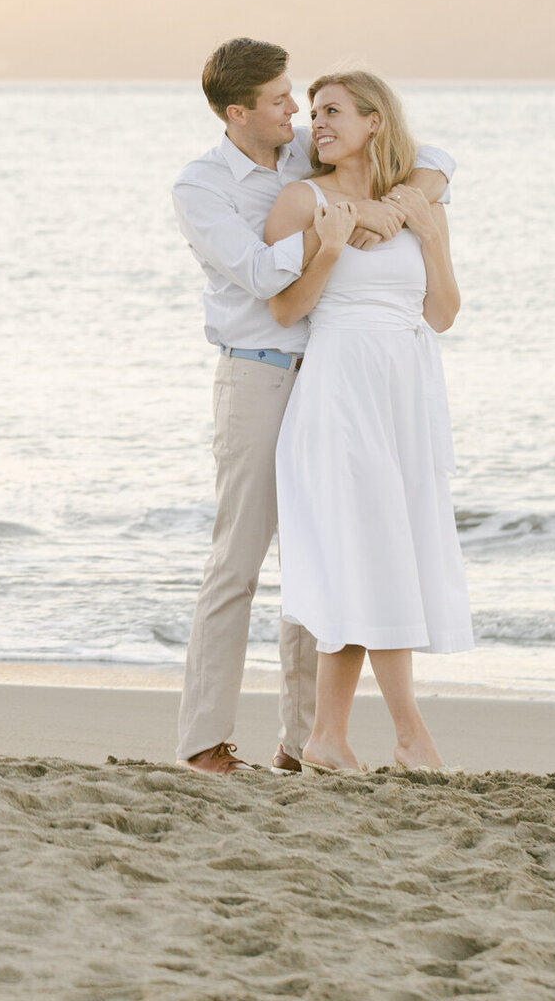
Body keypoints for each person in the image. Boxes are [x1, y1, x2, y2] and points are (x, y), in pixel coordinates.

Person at [172, 39, 455, 775]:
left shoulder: (301, 151)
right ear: (239, 113)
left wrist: (398, 206)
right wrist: (344, 224)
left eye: (298, 100)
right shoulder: (202, 187)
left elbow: (437, 160)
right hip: (261, 375)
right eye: (279, 101)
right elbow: (266, 273)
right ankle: (205, 743)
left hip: (337, 376)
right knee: (239, 560)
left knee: (319, 555)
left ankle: (304, 741)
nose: (295, 113)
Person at [266, 70, 473, 774]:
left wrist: (431, 236)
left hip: (404, 397)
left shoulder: (409, 203)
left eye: (331, 112)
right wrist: (328, 246)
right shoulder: (303, 199)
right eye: (314, 113)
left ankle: (327, 737)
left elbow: (441, 314)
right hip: (340, 395)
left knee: (374, 559)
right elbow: (285, 310)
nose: (316, 123)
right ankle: (411, 734)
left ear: (375, 121)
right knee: (374, 554)